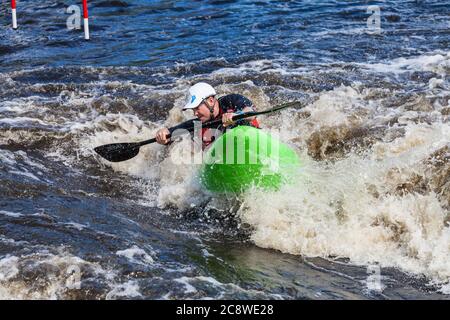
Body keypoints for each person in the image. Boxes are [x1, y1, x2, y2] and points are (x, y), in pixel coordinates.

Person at [155, 82, 260, 150]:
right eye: (193, 110)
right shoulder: (201, 123)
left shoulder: (231, 101)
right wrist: (164, 135)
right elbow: (177, 130)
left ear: (210, 101)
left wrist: (236, 115)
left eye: (197, 108)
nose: (195, 113)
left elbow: (251, 112)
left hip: (251, 140)